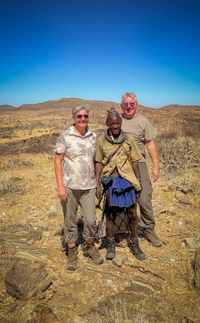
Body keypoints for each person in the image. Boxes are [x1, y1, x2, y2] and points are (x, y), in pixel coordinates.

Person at [54, 105, 103, 271]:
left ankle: (89, 246)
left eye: (85, 116)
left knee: (90, 220)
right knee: (70, 219)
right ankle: (72, 250)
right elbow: (57, 160)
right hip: (70, 186)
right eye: (79, 116)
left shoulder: (93, 136)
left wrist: (98, 182)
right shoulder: (65, 136)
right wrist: (60, 186)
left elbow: (97, 160)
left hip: (89, 185)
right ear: (74, 118)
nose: (83, 119)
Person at [95, 108, 145, 261]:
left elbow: (135, 159)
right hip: (110, 180)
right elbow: (98, 161)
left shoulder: (128, 139)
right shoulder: (101, 140)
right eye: (112, 123)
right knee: (110, 214)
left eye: (117, 123)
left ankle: (135, 244)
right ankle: (110, 245)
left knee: (132, 213)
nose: (115, 126)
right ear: (107, 123)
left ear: (121, 123)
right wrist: (97, 183)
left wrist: (138, 180)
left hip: (127, 180)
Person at [121, 92, 162, 247]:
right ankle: (123, 230)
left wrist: (156, 166)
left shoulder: (143, 121)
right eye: (126, 104)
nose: (129, 107)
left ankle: (148, 229)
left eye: (132, 104)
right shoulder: (117, 120)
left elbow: (150, 144)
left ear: (136, 105)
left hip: (140, 163)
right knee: (123, 198)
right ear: (121, 106)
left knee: (144, 198)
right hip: (122, 165)